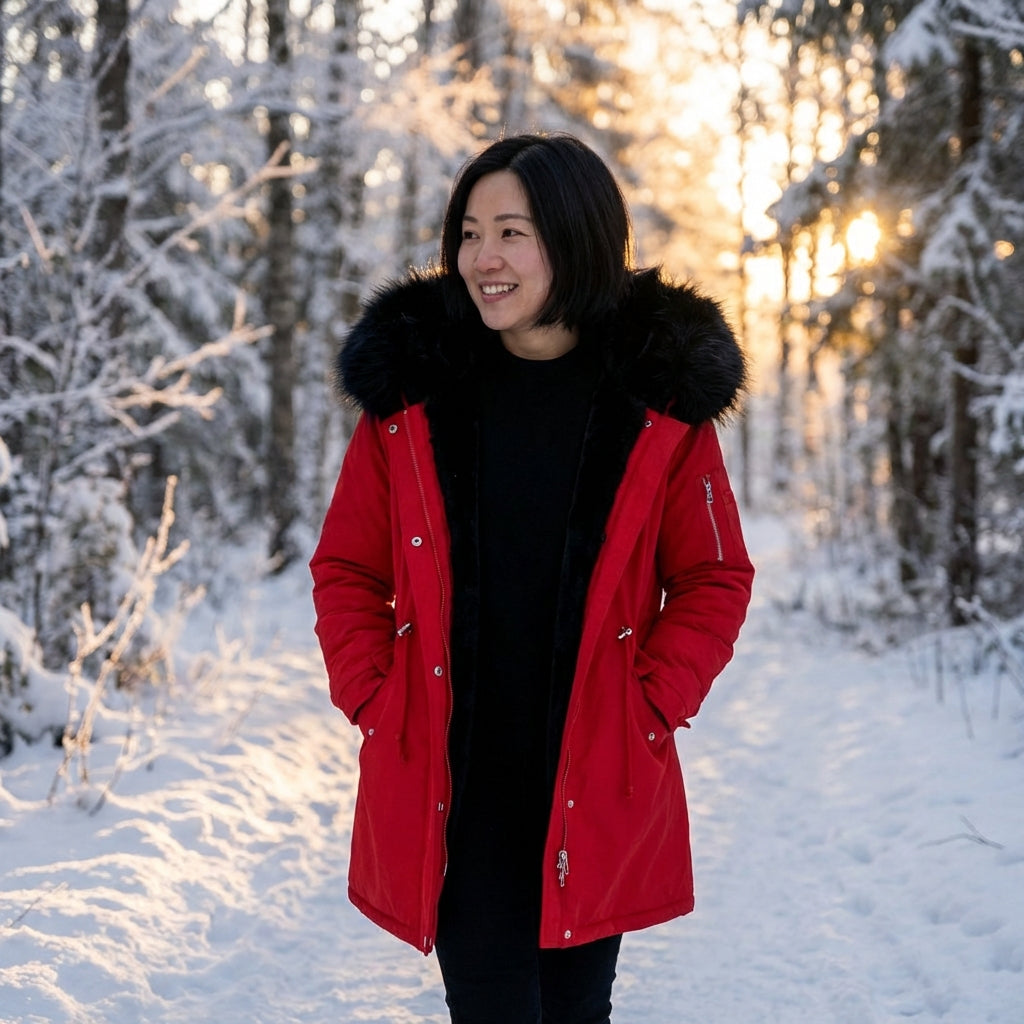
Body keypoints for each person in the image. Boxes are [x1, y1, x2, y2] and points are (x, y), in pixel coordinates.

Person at [310, 132, 755, 1024]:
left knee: (576, 1011)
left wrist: (651, 702)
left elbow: (714, 577)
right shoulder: (411, 400)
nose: (483, 258)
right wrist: (376, 696)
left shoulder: (658, 406)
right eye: (470, 233)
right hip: (456, 783)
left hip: (593, 779)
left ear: (577, 239)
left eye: (511, 232)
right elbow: (347, 568)